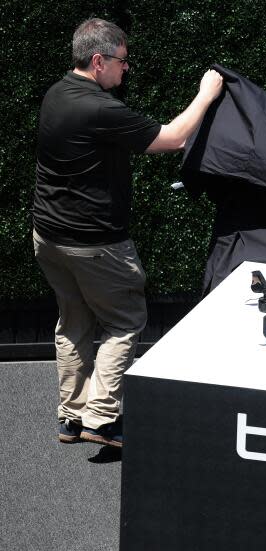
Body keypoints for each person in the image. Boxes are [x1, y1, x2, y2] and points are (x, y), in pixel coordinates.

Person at [32, 18, 223, 448]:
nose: (126, 69)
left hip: (49, 236)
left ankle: (71, 415)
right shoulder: (99, 108)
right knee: (124, 322)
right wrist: (205, 95)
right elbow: (172, 139)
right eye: (122, 61)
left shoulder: (56, 93)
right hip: (95, 244)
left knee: (74, 320)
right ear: (98, 61)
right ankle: (100, 419)